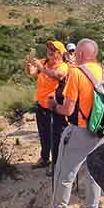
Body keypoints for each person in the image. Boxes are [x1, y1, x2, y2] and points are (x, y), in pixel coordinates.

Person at [43, 38, 104, 208]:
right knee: (94, 174)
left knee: (64, 173)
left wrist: (54, 106)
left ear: (80, 54)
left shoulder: (77, 73)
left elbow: (67, 109)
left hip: (80, 130)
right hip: (101, 131)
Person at [26, 41, 70, 171]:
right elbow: (32, 73)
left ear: (60, 53)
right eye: (49, 48)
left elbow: (57, 75)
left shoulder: (63, 66)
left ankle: (56, 164)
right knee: (44, 134)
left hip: (55, 107)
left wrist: (41, 67)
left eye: (54, 49)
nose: (50, 51)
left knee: (56, 136)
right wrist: (28, 66)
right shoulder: (44, 62)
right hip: (41, 105)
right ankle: (44, 158)